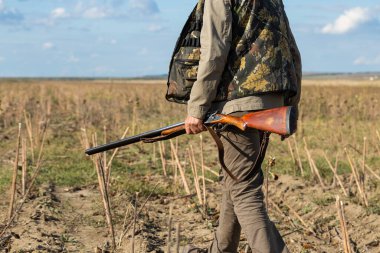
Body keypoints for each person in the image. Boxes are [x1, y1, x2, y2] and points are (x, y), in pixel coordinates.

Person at [166, 0, 301, 252]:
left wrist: (197, 108)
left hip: (237, 106)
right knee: (235, 184)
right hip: (270, 103)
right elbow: (291, 50)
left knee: (244, 191)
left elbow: (214, 51)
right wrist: (290, 104)